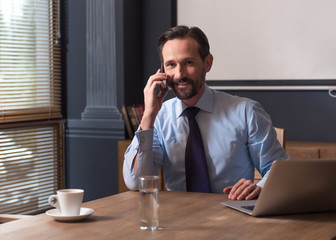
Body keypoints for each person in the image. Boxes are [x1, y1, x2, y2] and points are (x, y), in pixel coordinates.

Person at [123, 25, 289, 200]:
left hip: (234, 217)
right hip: (179, 219)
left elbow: (279, 170)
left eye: (188, 63)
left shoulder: (247, 112)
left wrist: (260, 188)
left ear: (207, 63)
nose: (179, 74)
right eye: (171, 65)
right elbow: (135, 182)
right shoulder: (159, 117)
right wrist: (148, 116)